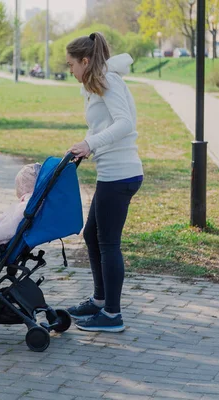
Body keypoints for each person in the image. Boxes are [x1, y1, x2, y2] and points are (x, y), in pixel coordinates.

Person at [65, 32, 143, 333]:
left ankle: (112, 315)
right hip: (111, 172)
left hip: (121, 174)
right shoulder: (96, 83)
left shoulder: (110, 81)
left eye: (72, 64)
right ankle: (99, 302)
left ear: (86, 61)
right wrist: (88, 145)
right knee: (91, 236)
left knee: (108, 243)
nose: (69, 70)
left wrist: (90, 144)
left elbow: (125, 124)